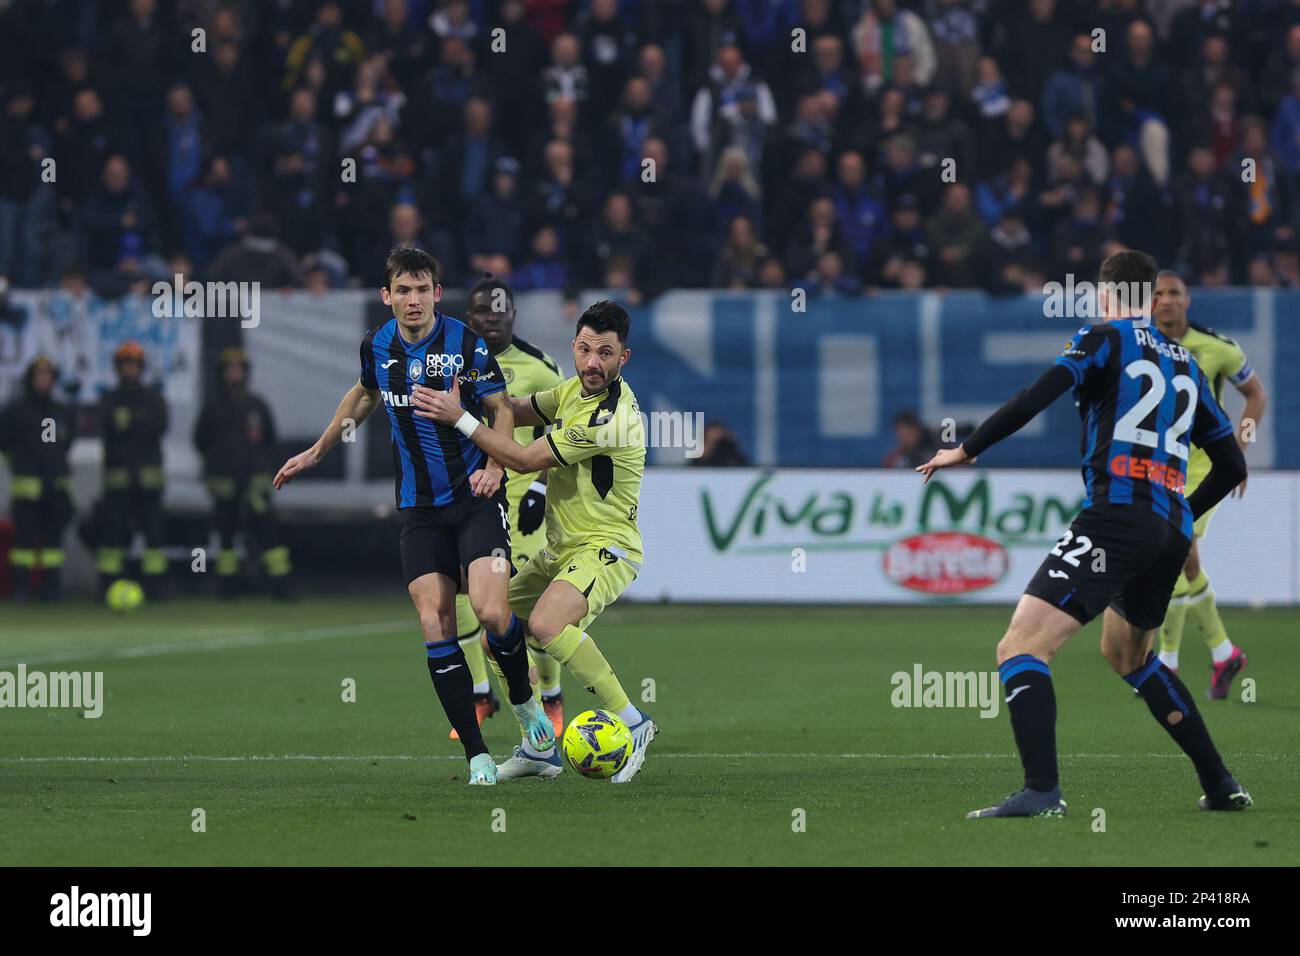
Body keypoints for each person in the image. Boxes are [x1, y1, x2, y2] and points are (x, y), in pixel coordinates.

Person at [917, 250, 1252, 818]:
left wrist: (967, 448)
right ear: (1149, 299)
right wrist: (1185, 515)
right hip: (1168, 527)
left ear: (1103, 295)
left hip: (1115, 519)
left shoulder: (1101, 340)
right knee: (1129, 656)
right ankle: (1220, 784)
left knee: (1021, 645)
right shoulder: (1189, 365)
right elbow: (1233, 467)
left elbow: (1035, 396)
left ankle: (1042, 792)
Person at [273, 247, 552, 786]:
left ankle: (526, 708)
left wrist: (495, 462)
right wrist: (317, 451)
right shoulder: (377, 346)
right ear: (387, 297)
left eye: (423, 289)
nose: (414, 299)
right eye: (403, 290)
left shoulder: (464, 343)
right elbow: (361, 397)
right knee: (435, 624)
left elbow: (500, 407)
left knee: (494, 614)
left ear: (435, 293)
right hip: (420, 511)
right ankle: (477, 756)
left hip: (475, 500)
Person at [412, 299, 655, 783]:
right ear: (574, 347)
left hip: (607, 547)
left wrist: (459, 417)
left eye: (605, 354)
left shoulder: (611, 416)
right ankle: (539, 745)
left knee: (544, 624)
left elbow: (524, 460)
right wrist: (475, 389)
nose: (592, 363)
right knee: (497, 631)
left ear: (623, 359)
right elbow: (519, 411)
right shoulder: (571, 391)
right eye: (585, 350)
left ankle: (633, 721)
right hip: (560, 549)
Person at [449, 273, 568, 744]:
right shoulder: (453, 361)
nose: (492, 318)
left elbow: (562, 429)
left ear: (513, 315)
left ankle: (552, 696)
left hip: (520, 507)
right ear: (470, 316)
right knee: (461, 603)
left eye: (500, 310)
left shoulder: (539, 366)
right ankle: (481, 694)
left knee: (529, 613)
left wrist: (540, 490)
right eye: (482, 311)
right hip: (466, 499)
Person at [1152, 271, 1266, 698]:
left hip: (1202, 468)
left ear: (1188, 301)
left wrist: (1240, 449)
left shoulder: (1217, 347)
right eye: (1158, 294)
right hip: (1157, 465)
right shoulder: (1140, 344)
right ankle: (1223, 652)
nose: (1165, 301)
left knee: (1175, 550)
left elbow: (1257, 395)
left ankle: (1167, 662)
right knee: (1186, 561)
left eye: (1174, 293)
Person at [194, 347, 291, 599]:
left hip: (255, 481)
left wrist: (265, 471)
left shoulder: (256, 406)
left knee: (268, 530)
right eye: (229, 369)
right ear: (222, 373)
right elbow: (200, 440)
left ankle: (280, 584)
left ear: (246, 372)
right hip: (224, 481)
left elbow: (270, 440)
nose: (234, 374)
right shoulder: (213, 407)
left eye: (238, 368)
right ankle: (227, 586)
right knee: (226, 534)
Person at [96, 341, 169, 598]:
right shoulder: (109, 399)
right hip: (118, 480)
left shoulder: (153, 399)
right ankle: (108, 584)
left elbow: (158, 426)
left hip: (149, 480)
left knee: (154, 537)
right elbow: (106, 425)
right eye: (125, 365)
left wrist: (129, 421)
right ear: (118, 368)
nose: (130, 369)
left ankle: (156, 587)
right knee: (113, 537)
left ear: (141, 368)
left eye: (134, 365)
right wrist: (139, 421)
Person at [0, 356, 75, 601]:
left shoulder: (60, 410)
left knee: (53, 545)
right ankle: (21, 588)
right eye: (39, 376)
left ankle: (51, 589)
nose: (44, 380)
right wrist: (24, 467)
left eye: (48, 376)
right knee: (23, 544)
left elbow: (63, 444)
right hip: (27, 489)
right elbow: (6, 444)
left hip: (56, 486)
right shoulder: (16, 411)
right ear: (30, 379)